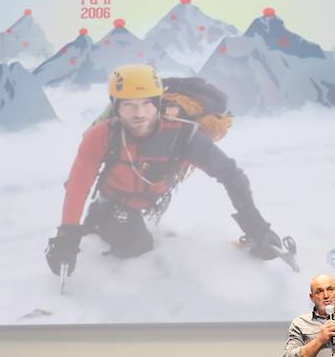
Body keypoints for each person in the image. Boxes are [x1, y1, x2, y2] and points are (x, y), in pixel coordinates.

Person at [45, 63, 285, 276]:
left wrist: (255, 225)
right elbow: (78, 185)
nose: (139, 114)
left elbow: (230, 175)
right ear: (115, 107)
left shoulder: (183, 136)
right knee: (136, 246)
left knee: (140, 240)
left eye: (146, 104)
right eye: (129, 105)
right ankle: (98, 224)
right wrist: (67, 235)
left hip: (149, 203)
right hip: (112, 205)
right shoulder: (102, 136)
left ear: (158, 103)